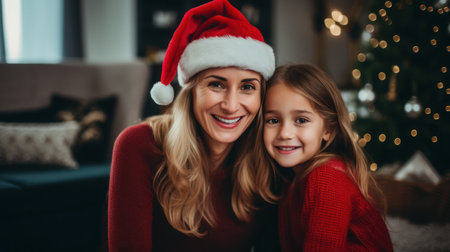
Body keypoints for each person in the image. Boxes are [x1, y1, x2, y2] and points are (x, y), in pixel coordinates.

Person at [107, 0, 278, 251]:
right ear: (191, 91)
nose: (231, 105)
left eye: (247, 87)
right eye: (216, 84)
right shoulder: (138, 145)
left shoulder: (269, 154)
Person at [263, 64, 393, 251]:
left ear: (328, 129)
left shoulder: (328, 177)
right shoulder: (288, 178)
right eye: (273, 121)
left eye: (301, 120)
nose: (285, 133)